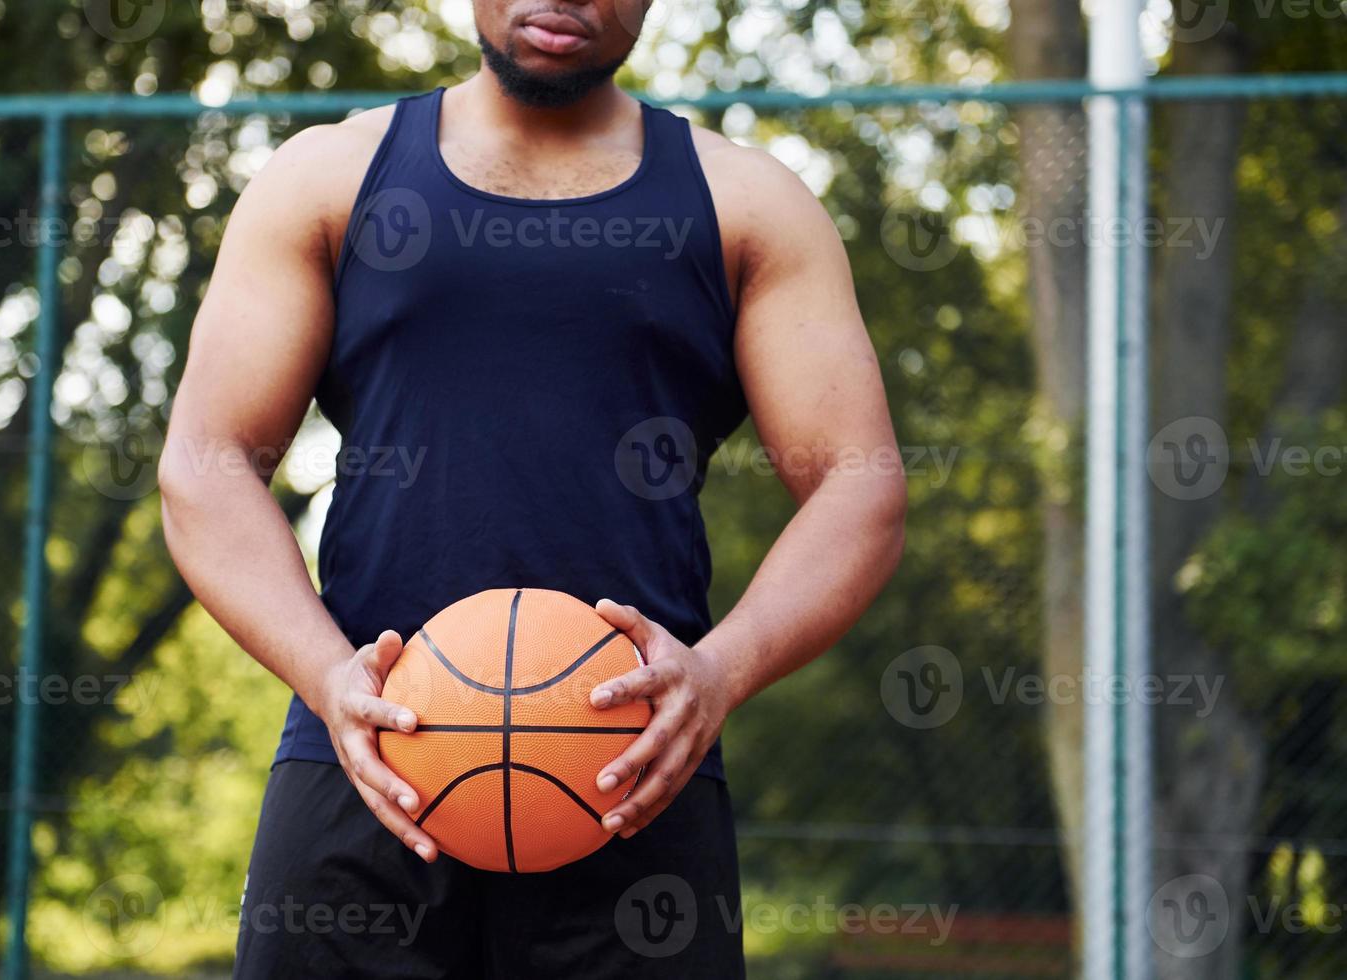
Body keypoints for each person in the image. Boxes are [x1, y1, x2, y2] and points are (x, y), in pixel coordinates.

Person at [159, 0, 906, 974]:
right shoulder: (329, 178)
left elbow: (861, 484)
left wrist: (718, 672)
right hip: (367, 757)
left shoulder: (747, 205)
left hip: (636, 772)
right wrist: (328, 675)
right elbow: (204, 462)